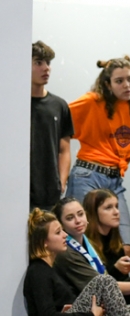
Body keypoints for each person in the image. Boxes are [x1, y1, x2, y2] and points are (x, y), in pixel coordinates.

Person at [66, 57, 130, 253]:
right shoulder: (93, 101)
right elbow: (59, 115)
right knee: (85, 241)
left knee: (126, 246)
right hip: (88, 175)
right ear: (108, 85)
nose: (127, 85)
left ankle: (113, 274)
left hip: (114, 180)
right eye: (119, 81)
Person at [30, 41, 73, 210]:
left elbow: (64, 149)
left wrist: (61, 182)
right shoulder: (12, 104)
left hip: (48, 192)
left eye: (48, 63)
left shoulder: (59, 105)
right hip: (16, 188)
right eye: (38, 63)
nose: (46, 68)